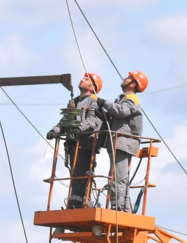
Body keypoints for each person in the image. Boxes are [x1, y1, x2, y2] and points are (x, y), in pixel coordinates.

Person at [46, 73, 103, 209]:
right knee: (75, 172)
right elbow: (66, 121)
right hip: (73, 143)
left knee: (82, 172)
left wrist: (80, 129)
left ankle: (82, 201)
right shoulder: (75, 101)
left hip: (87, 143)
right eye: (83, 78)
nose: (82, 79)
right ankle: (75, 201)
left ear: (92, 87)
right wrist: (55, 130)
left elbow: (92, 120)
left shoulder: (94, 101)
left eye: (86, 79)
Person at [98, 71, 149, 212]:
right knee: (119, 176)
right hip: (119, 141)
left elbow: (122, 111)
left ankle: (119, 208)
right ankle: (123, 208)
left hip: (123, 141)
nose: (124, 79)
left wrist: (105, 103)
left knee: (117, 176)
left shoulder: (131, 99)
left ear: (133, 84)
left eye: (128, 78)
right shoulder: (123, 98)